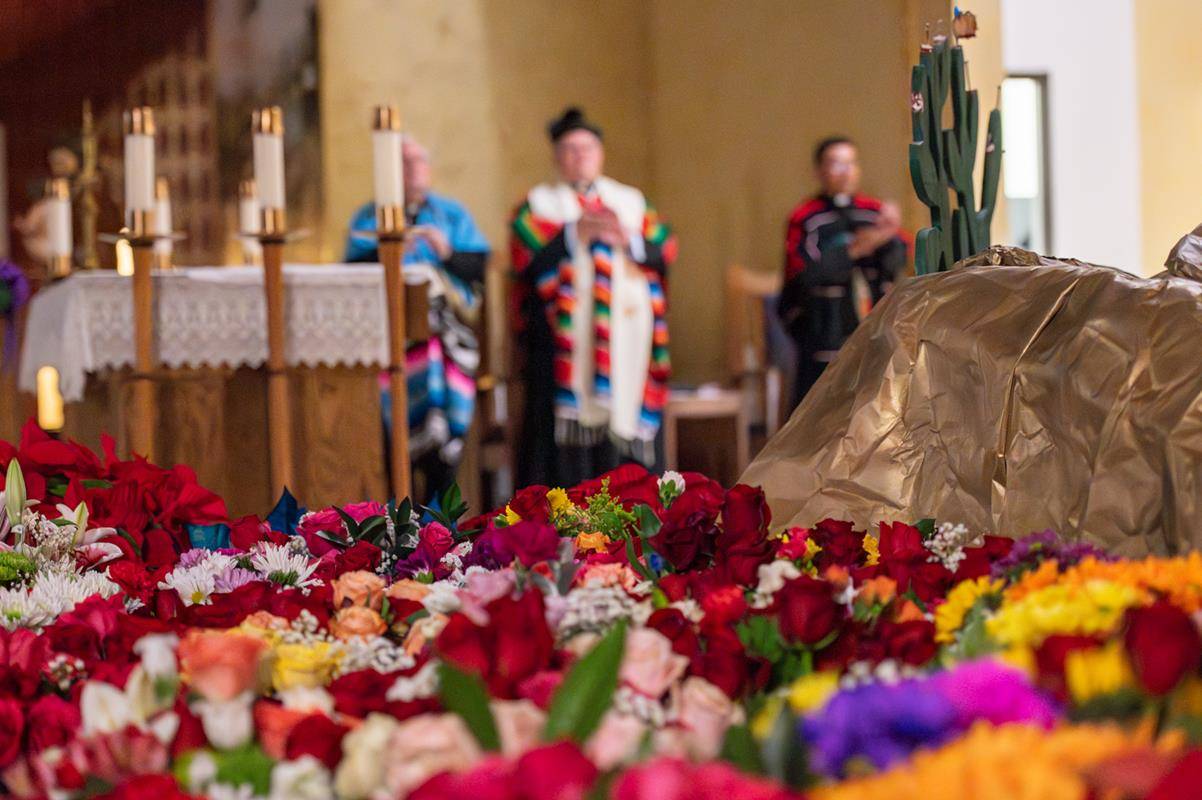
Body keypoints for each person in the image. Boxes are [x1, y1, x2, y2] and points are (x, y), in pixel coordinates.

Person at [511, 107, 677, 487]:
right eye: (570, 149)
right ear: (557, 157)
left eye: (588, 148)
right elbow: (527, 263)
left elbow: (664, 250)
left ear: (600, 154)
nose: (580, 156)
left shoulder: (631, 201)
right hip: (561, 347)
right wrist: (574, 235)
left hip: (628, 341)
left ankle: (633, 506)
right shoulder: (537, 204)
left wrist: (629, 239)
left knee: (625, 452)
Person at [345, 135, 490, 497]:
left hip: (447, 340)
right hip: (391, 341)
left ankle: (441, 512)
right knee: (393, 439)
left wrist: (446, 251)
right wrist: (389, 251)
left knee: (444, 439)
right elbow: (350, 271)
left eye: (417, 161)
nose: (411, 169)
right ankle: (399, 511)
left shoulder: (451, 214)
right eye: (403, 162)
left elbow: (478, 268)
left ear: (429, 168)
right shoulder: (369, 218)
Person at [778, 136, 907, 407]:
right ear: (819, 171)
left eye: (852, 163)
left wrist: (890, 233)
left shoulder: (873, 213)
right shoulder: (806, 218)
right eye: (837, 164)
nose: (847, 171)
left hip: (872, 333)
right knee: (818, 411)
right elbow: (802, 275)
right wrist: (854, 250)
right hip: (824, 335)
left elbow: (897, 262)